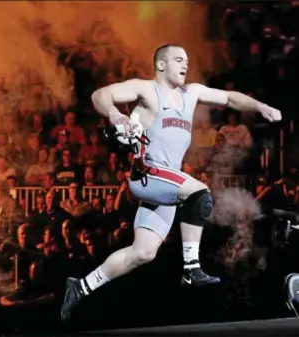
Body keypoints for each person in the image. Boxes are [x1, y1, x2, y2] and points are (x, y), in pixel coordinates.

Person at [60, 44, 282, 321]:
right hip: (148, 175)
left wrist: (260, 106)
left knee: (143, 253)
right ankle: (191, 268)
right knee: (200, 194)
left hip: (166, 184)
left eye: (187, 60)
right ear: (161, 65)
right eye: (178, 60)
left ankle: (80, 287)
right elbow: (100, 95)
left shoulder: (192, 93)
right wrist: (116, 114)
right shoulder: (146, 90)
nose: (185, 65)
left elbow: (229, 99)